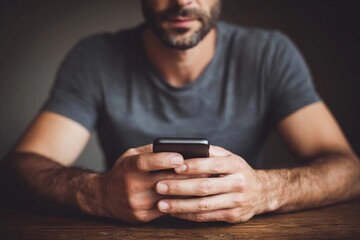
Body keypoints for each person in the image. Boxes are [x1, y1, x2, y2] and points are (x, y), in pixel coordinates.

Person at [2, 0, 360, 224]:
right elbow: (21, 168)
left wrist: (265, 190)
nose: (182, 1)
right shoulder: (95, 58)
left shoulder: (270, 54)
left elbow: (349, 170)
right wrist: (98, 193)